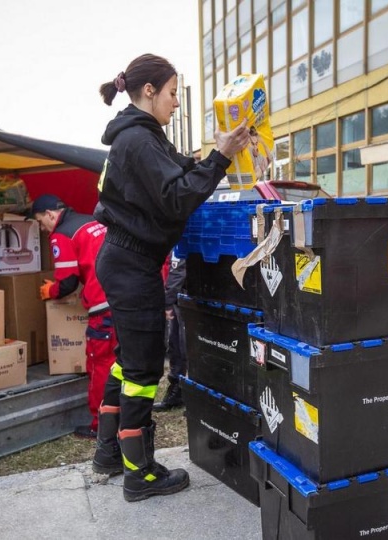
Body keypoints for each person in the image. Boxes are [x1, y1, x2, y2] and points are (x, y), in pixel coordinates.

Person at [91, 53, 250, 502]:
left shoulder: (142, 137)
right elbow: (178, 198)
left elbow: (180, 168)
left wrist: (215, 151)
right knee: (142, 370)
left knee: (128, 359)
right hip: (132, 264)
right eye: (174, 93)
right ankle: (138, 474)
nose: (177, 102)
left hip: (126, 260)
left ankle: (107, 452)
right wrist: (220, 158)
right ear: (149, 92)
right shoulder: (138, 141)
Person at [31, 193, 115, 441]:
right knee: (118, 365)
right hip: (123, 300)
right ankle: (121, 416)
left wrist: (51, 291)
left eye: (39, 221)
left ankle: (101, 425)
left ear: (50, 215)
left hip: (103, 306)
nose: (42, 228)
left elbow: (67, 282)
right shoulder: (92, 221)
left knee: (99, 365)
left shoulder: (62, 233)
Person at [153, 253, 187, 411]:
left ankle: (179, 390)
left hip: (185, 298)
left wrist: (167, 302)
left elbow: (178, 270)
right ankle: (177, 390)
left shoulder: (181, 237)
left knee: (180, 346)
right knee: (176, 345)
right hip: (184, 297)